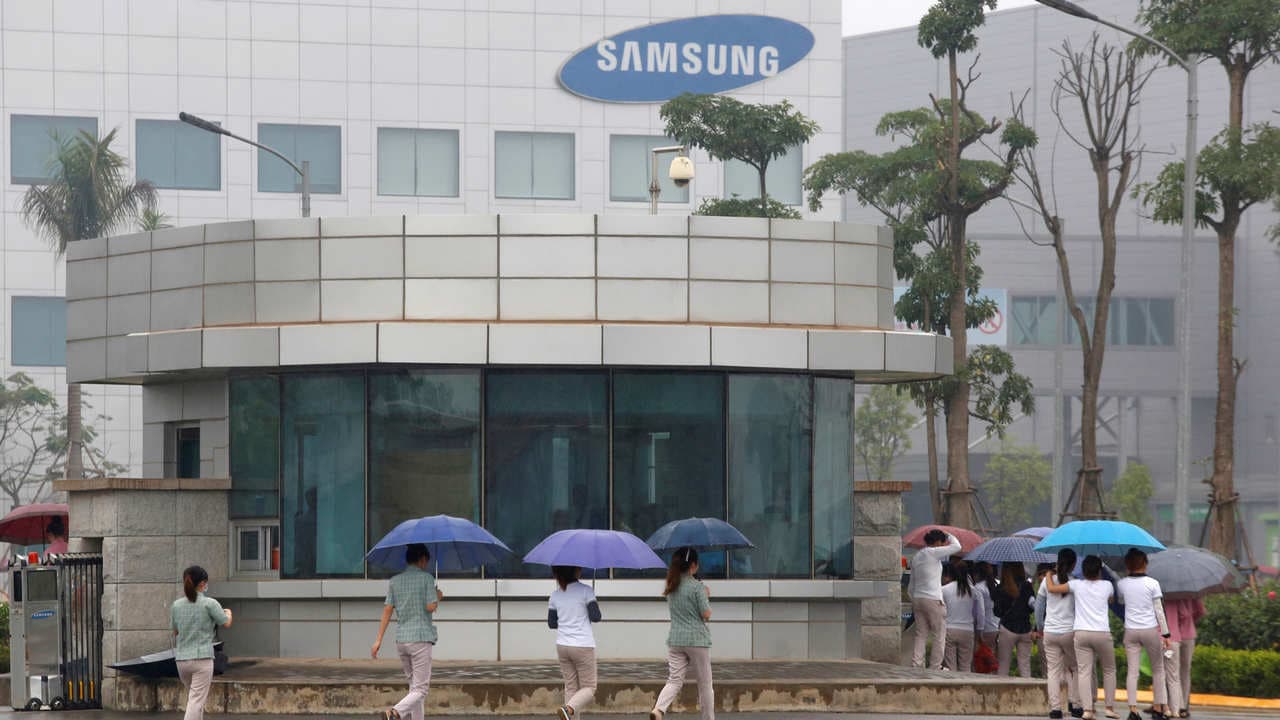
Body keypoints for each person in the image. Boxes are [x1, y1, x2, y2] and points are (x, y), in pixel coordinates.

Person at [372, 544, 443, 720]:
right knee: (421, 689)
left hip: (402, 640)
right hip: (420, 638)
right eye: (426, 561)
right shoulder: (427, 579)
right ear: (422, 559)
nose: (426, 564)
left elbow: (387, 610)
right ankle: (395, 712)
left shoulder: (395, 581)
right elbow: (430, 606)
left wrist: (378, 640)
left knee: (414, 688)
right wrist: (438, 596)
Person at [1046, 555, 1119, 720]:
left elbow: (1052, 589)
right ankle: (1109, 708)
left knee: (1084, 671)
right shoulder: (1107, 585)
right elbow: (1112, 599)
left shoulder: (1075, 585)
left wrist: (1049, 575)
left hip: (1081, 633)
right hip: (1102, 633)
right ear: (1099, 571)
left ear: (1083, 570)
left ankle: (1087, 710)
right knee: (1109, 670)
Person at [650, 547, 713, 720]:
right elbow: (706, 614)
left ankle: (659, 709)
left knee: (674, 680)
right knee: (705, 684)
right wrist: (705, 596)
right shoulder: (697, 587)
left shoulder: (672, 586)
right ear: (693, 565)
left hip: (676, 639)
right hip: (697, 640)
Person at [1117, 549, 1173, 720]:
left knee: (1133, 672)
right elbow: (1159, 610)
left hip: (1131, 631)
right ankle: (1158, 708)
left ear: (1127, 564)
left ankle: (1133, 710)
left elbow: (1120, 602)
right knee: (1158, 670)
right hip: (1150, 630)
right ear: (1145, 563)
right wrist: (1166, 634)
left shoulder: (1122, 584)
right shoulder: (1153, 583)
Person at [170, 565, 232, 720]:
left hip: (182, 660)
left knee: (195, 699)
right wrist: (229, 612)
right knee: (196, 701)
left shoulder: (176, 605)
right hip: (202, 659)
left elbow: (175, 631)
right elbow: (226, 623)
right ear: (203, 583)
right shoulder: (210, 603)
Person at [548, 565, 601, 720]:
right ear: (574, 571)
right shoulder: (586, 590)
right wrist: (592, 601)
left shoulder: (555, 595)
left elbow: (552, 623)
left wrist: (567, 619)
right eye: (579, 567)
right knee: (589, 687)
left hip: (563, 645)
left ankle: (568, 712)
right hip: (582, 645)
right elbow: (596, 617)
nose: (581, 569)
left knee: (571, 687)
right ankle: (569, 708)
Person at [1037, 549, 1083, 719]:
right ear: (1073, 564)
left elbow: (1039, 607)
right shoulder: (1075, 583)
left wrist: (1040, 627)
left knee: (1053, 671)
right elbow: (1080, 609)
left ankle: (1055, 709)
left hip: (1050, 631)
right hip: (1069, 632)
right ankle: (1076, 705)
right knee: (1075, 668)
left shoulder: (1046, 582)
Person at [906, 529, 962, 669]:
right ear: (937, 542)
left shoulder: (917, 556)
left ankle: (917, 664)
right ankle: (935, 666)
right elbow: (957, 547)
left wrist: (914, 599)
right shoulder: (933, 552)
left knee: (921, 634)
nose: (944, 545)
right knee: (939, 635)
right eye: (943, 543)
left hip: (918, 598)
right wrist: (949, 535)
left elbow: (911, 584)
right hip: (933, 599)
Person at [1163, 597, 1204, 718]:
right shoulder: (1192, 592)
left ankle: (1175, 705)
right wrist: (1189, 621)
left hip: (1171, 639)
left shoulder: (1168, 596)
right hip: (1188, 635)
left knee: (1170, 672)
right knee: (1185, 671)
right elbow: (1200, 611)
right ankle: (1183, 706)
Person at [993, 563, 1035, 677]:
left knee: (1003, 665)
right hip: (1025, 628)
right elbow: (1032, 607)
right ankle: (1027, 692)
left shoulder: (1002, 588)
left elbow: (997, 611)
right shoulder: (1027, 586)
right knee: (1025, 666)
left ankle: (1001, 693)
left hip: (1007, 628)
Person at [941, 560, 982, 672]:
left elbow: (940, 610)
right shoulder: (974, 592)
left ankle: (952, 687)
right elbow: (979, 613)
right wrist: (979, 630)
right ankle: (966, 687)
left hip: (949, 629)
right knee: (965, 666)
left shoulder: (944, 589)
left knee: (950, 666)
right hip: (967, 631)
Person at [971, 562, 1001, 669]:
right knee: (992, 659)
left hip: (985, 628)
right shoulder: (996, 585)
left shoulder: (978, 588)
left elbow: (980, 612)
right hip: (996, 627)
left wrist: (979, 631)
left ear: (977, 574)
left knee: (981, 660)